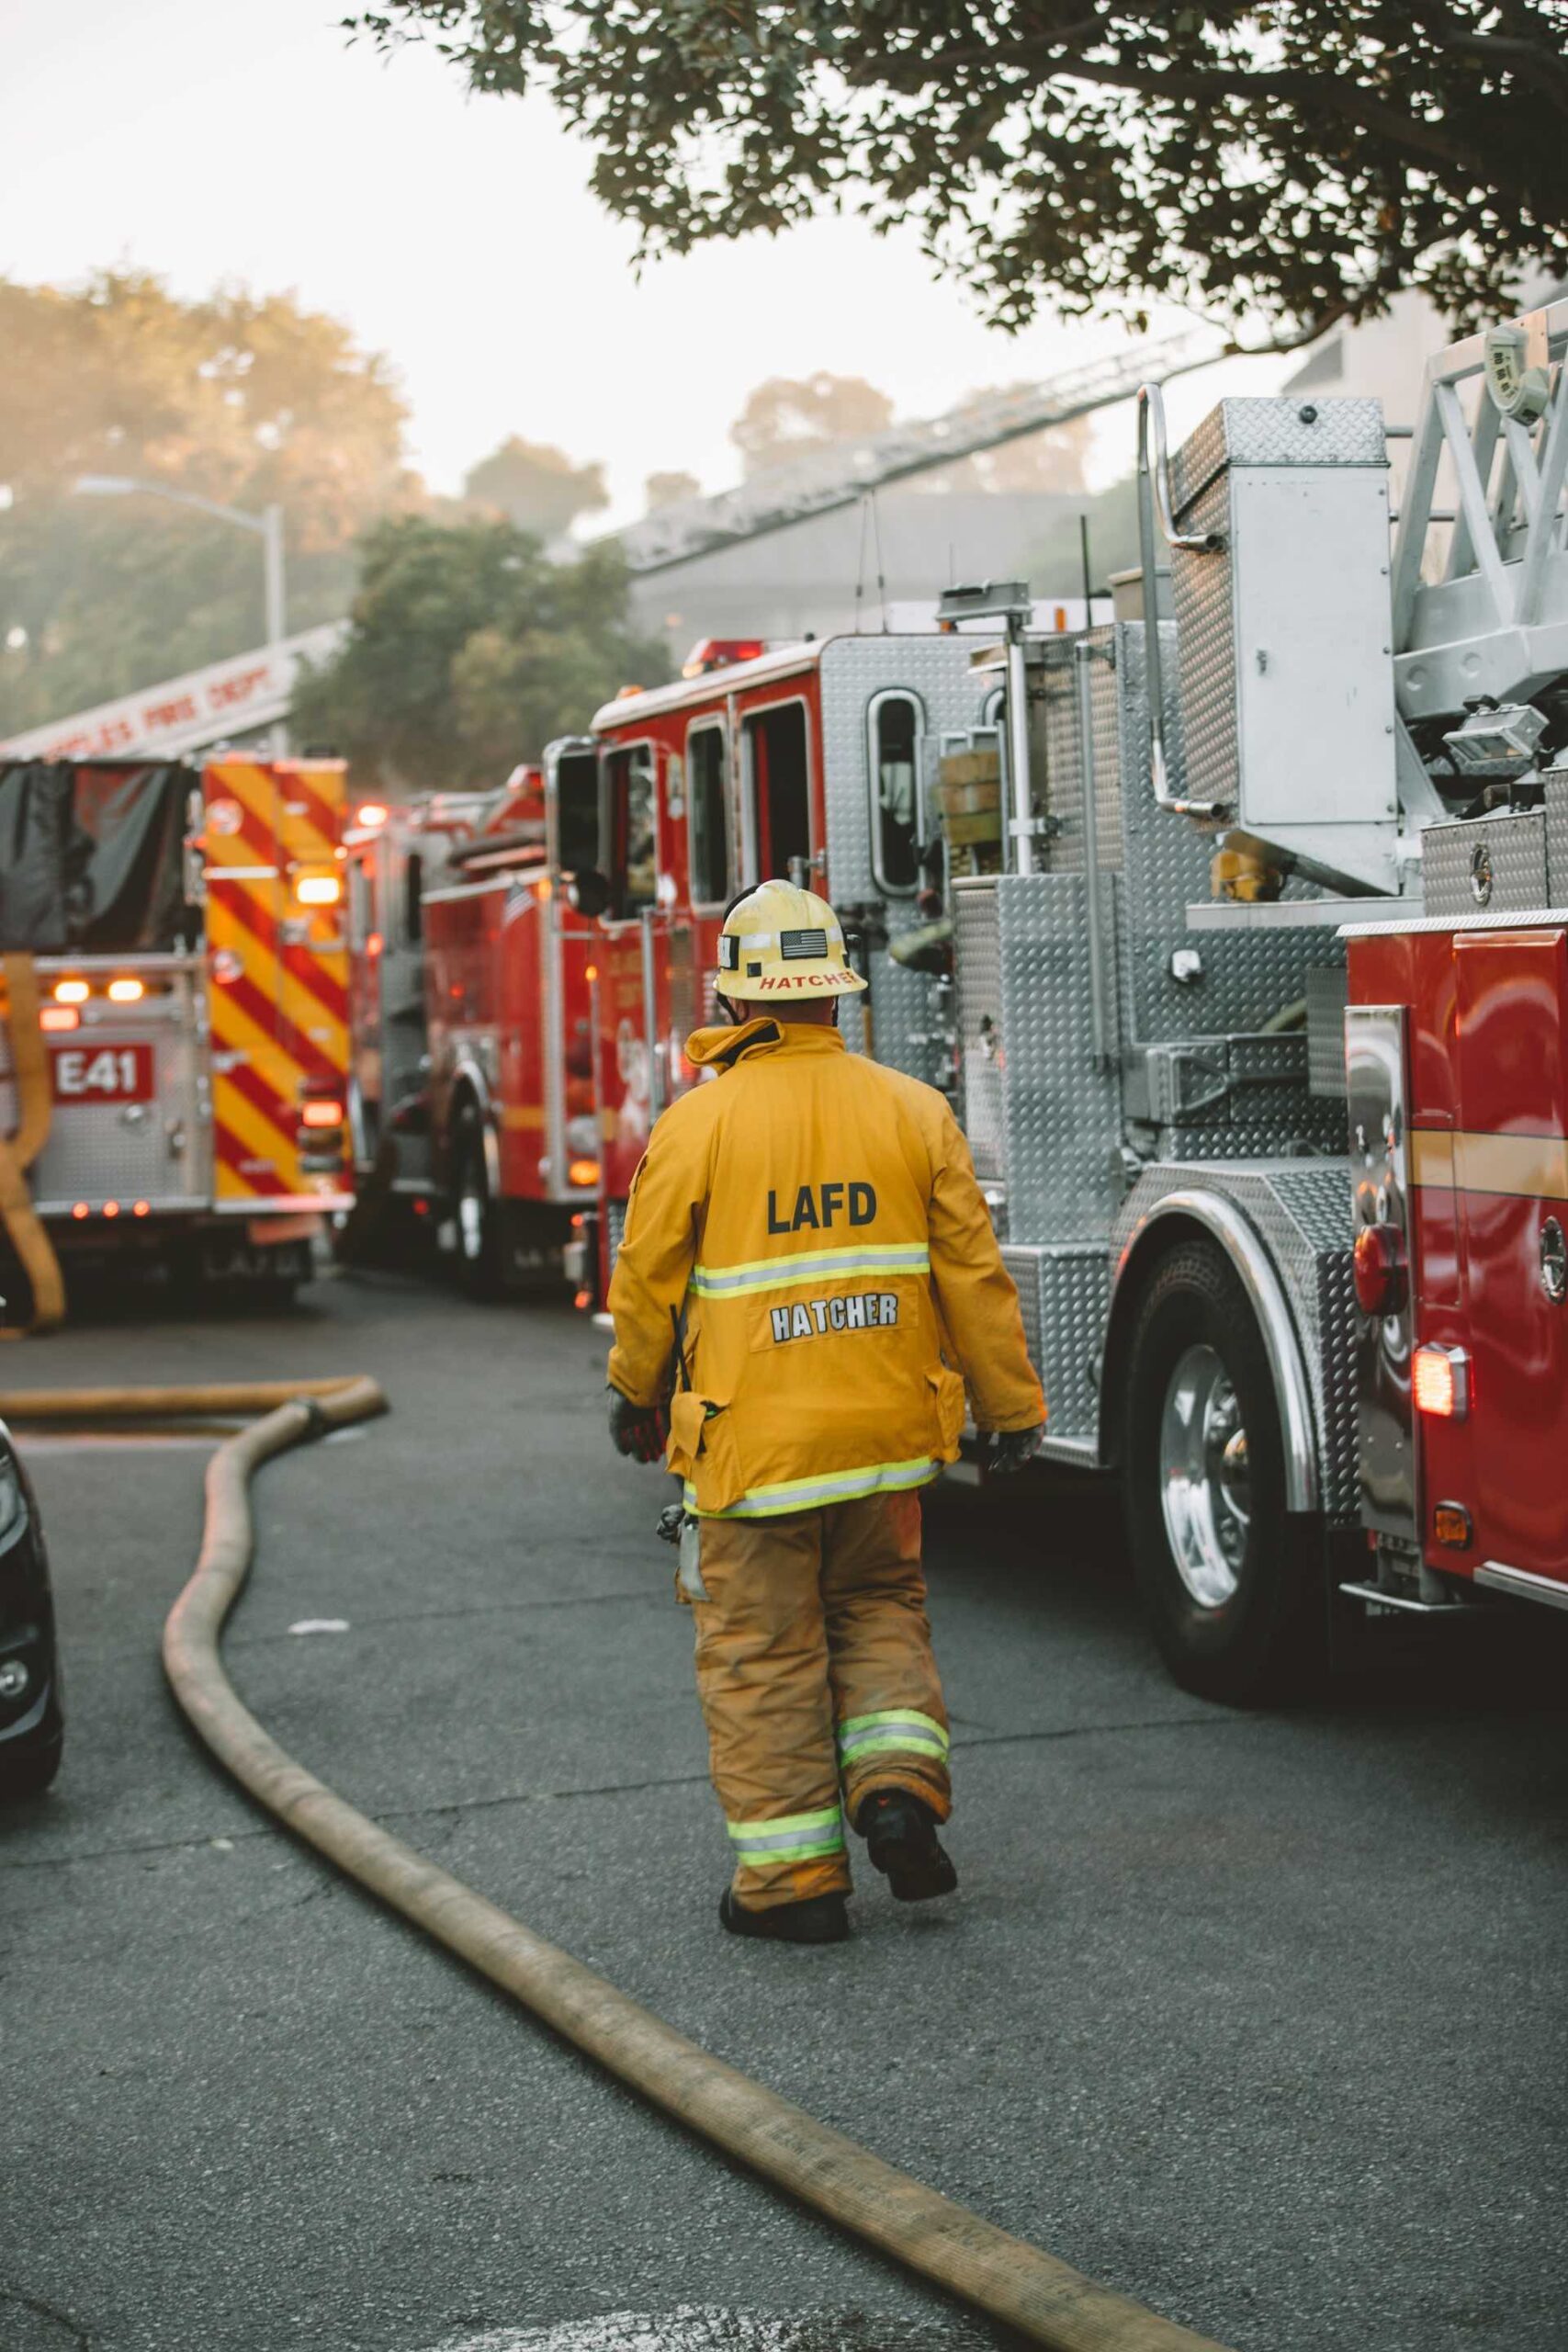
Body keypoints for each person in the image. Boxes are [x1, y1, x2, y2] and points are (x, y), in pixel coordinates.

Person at [605, 879, 1045, 1944]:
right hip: (884, 1445)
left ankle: (793, 1884)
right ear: (836, 998)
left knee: (763, 1651)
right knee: (879, 1607)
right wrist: (1012, 1406)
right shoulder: (912, 1110)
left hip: (755, 1457)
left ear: (737, 997)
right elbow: (973, 1277)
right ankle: (896, 1792)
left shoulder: (696, 1124)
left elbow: (646, 1281)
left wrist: (634, 1395)